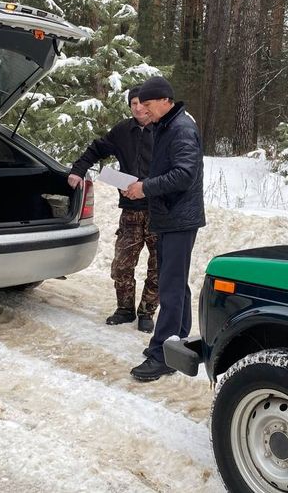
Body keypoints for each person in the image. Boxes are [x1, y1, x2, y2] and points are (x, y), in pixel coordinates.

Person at [123, 76, 205, 382]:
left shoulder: (181, 129)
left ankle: (162, 355)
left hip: (179, 218)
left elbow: (184, 174)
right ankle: (177, 344)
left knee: (170, 286)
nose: (143, 110)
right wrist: (142, 186)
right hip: (171, 216)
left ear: (164, 100)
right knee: (176, 283)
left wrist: (146, 188)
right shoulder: (166, 126)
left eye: (147, 104)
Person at [68, 87, 158, 333]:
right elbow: (97, 149)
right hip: (130, 210)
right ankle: (125, 309)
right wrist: (78, 170)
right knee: (122, 265)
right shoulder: (122, 130)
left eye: (141, 103)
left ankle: (147, 312)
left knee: (158, 266)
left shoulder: (164, 131)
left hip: (159, 211)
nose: (138, 108)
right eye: (133, 104)